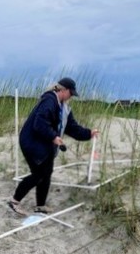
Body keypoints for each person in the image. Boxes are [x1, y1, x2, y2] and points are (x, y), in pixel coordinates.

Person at [8, 77, 99, 216]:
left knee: (47, 172)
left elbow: (72, 128)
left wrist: (89, 133)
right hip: (32, 142)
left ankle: (40, 206)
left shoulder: (64, 108)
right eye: (71, 93)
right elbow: (39, 123)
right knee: (38, 174)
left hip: (45, 143)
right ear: (64, 90)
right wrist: (53, 136)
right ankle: (14, 201)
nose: (71, 97)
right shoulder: (49, 100)